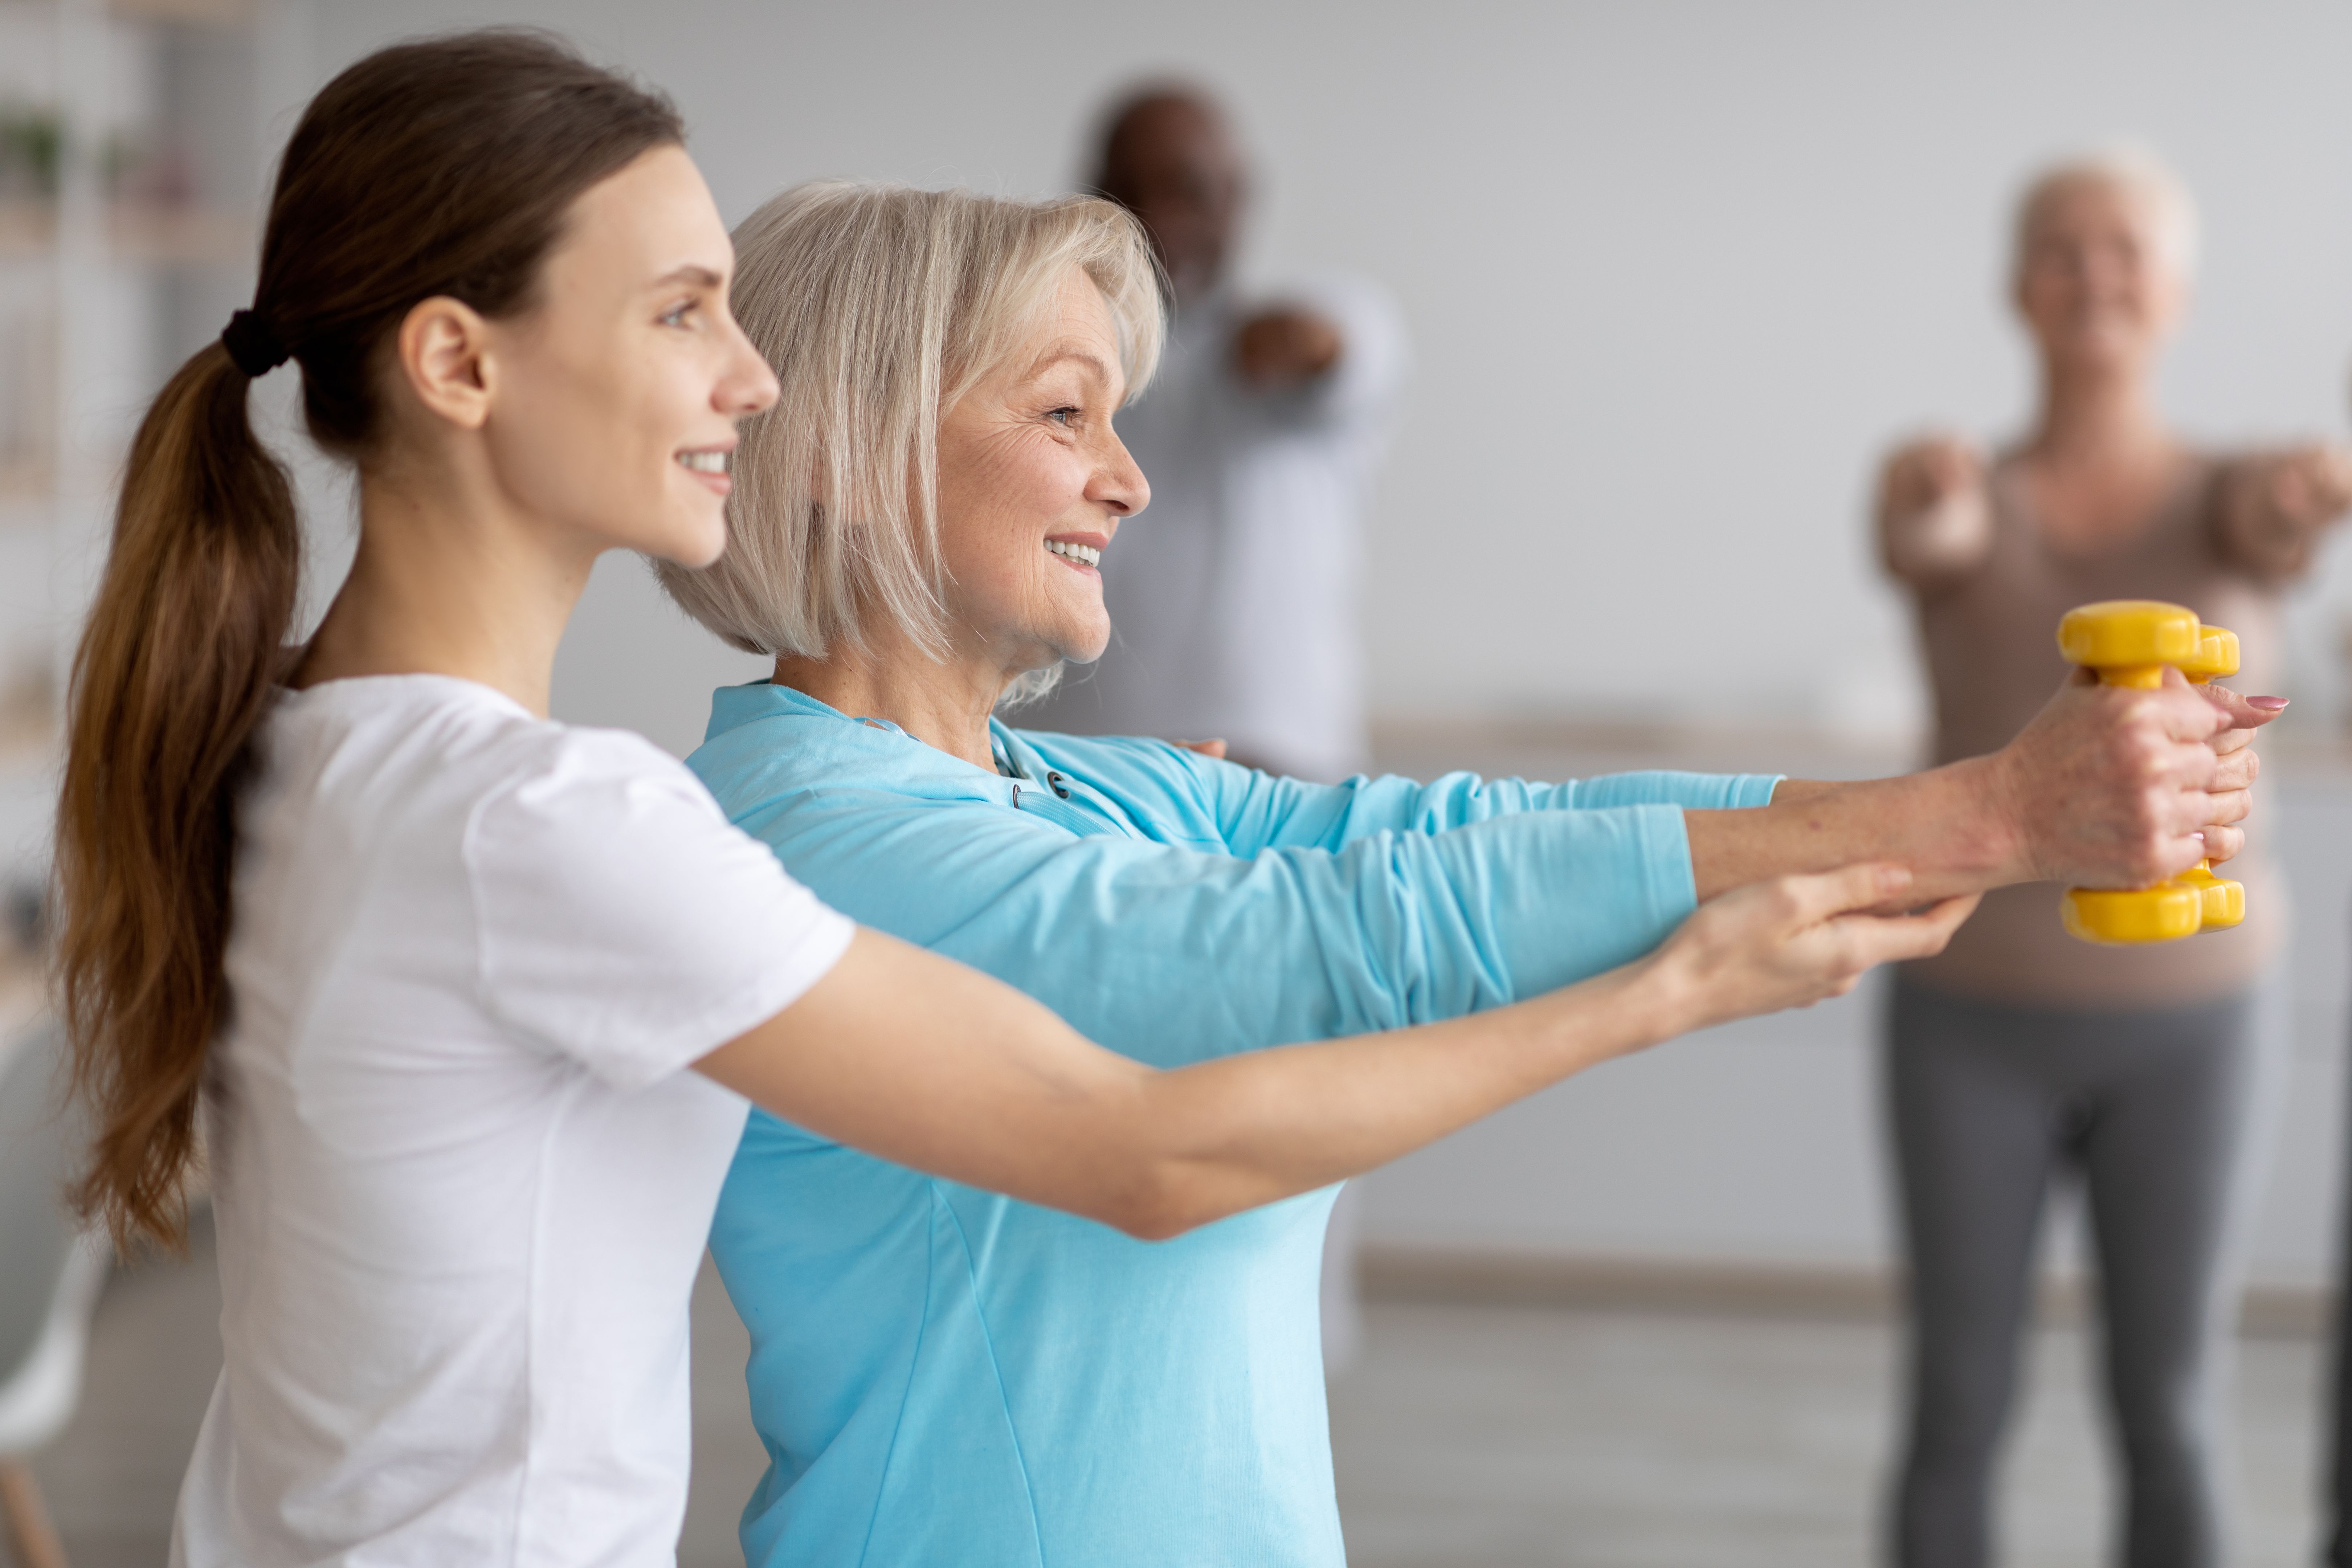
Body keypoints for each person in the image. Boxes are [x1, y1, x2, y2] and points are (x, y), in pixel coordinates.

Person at [50, 33, 1984, 1565]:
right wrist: (1669, 992)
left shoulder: (314, 743)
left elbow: (1384, 858)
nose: (751, 379)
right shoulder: (549, 826)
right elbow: (1146, 1154)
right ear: (460, 365)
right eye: (684, 313)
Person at [658, 179, 2273, 1568]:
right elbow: (1309, 948)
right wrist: (1997, 820)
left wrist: (1984, 811)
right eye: (1064, 414)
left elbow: (1463, 838)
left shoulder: (1079, 790)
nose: (1130, 479)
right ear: (848, 446)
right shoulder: (809, 840)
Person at [1873, 147, 2352, 1568]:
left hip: (2198, 1024)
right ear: (2018, 287)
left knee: (2174, 1411)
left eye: (2127, 249)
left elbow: (2281, 523)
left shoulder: (2234, 494)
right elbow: (1930, 538)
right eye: (2063, 249)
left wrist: (2311, 494)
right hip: (1970, 1016)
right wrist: (1926, 502)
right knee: (1957, 1406)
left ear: (2179, 291)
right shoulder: (1959, 489)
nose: (2095, 275)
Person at [1019, 85, 1401, 783]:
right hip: (1072, 779)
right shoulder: (1039, 353)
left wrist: (1293, 346)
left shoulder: (1322, 324)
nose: (1157, 219)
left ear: (1238, 196)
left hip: (1277, 773)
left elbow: (1335, 349)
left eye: (1187, 190)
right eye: (1129, 194)